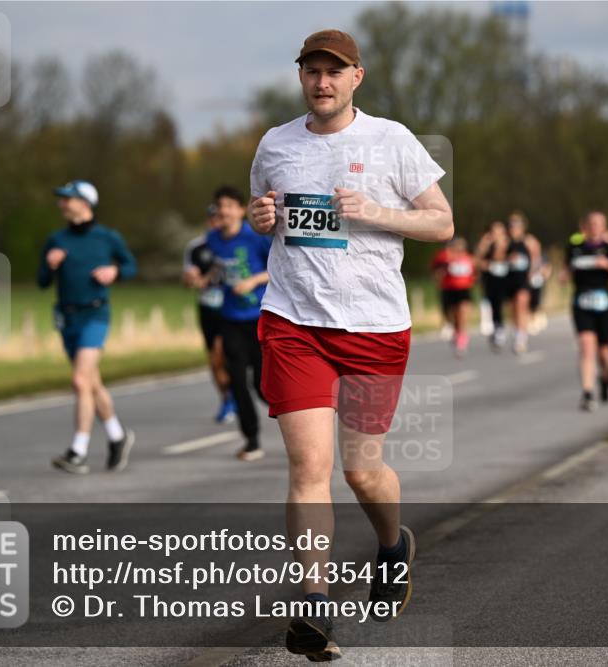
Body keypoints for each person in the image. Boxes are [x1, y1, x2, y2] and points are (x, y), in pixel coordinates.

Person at [247, 29, 452, 661]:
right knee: (310, 470)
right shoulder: (275, 144)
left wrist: (375, 212)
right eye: (313, 70)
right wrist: (261, 220)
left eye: (335, 71)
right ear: (301, 76)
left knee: (361, 471)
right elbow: (267, 211)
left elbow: (442, 224)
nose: (323, 81)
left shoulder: (391, 140)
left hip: (373, 328)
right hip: (294, 322)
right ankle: (313, 607)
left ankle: (393, 547)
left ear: (356, 77)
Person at [40, 180, 137, 474]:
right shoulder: (56, 240)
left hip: (96, 315)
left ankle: (78, 452)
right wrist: (50, 265)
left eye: (68, 199)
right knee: (91, 384)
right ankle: (118, 437)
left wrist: (115, 271)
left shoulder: (107, 237)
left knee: (80, 382)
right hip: (67, 318)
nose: (62, 204)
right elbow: (41, 282)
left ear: (84, 203)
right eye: (61, 199)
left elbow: (131, 266)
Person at [206, 185, 271, 460]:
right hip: (230, 318)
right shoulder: (213, 239)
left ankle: (304, 417)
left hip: (258, 318)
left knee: (260, 383)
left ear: (240, 209)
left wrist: (253, 281)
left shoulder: (255, 237)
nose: (225, 210)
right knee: (236, 381)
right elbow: (216, 270)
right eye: (221, 206)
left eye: (230, 205)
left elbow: (278, 267)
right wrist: (203, 278)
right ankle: (252, 440)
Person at [565, 211, 608, 411]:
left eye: (598, 224)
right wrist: (564, 274)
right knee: (586, 347)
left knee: (605, 353)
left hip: (605, 303)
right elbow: (565, 272)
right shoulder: (575, 248)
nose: (594, 227)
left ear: (604, 227)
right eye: (591, 224)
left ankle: (607, 375)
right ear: (584, 227)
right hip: (581, 302)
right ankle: (587, 393)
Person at [183, 205, 237, 423]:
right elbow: (187, 279)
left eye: (220, 218)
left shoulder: (233, 242)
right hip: (207, 306)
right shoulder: (196, 247)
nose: (216, 222)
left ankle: (237, 392)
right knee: (214, 360)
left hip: (232, 307)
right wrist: (192, 279)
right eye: (212, 218)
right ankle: (227, 397)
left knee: (223, 351)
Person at [431, 236, 475, 357]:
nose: (460, 248)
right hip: (448, 290)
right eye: (458, 245)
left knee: (462, 314)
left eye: (462, 246)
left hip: (464, 290)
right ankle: (456, 333)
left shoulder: (468, 257)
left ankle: (461, 342)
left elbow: (475, 271)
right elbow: (436, 271)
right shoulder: (445, 256)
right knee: (451, 316)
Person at [506, 212, 542, 354]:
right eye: (511, 225)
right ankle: (517, 331)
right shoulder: (505, 242)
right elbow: (498, 257)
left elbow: (536, 258)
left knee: (522, 304)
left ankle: (521, 338)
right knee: (513, 307)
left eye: (517, 225)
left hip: (524, 279)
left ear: (523, 227)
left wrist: (532, 274)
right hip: (509, 278)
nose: (514, 228)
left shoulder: (530, 241)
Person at [475, 220, 511, 351]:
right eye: (494, 231)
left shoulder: (507, 243)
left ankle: (501, 328)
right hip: (489, 280)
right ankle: (495, 328)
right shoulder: (486, 244)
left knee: (500, 304)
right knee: (491, 304)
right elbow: (477, 260)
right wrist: (484, 244)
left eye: (499, 231)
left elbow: (502, 257)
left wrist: (500, 245)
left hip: (504, 279)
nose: (497, 234)